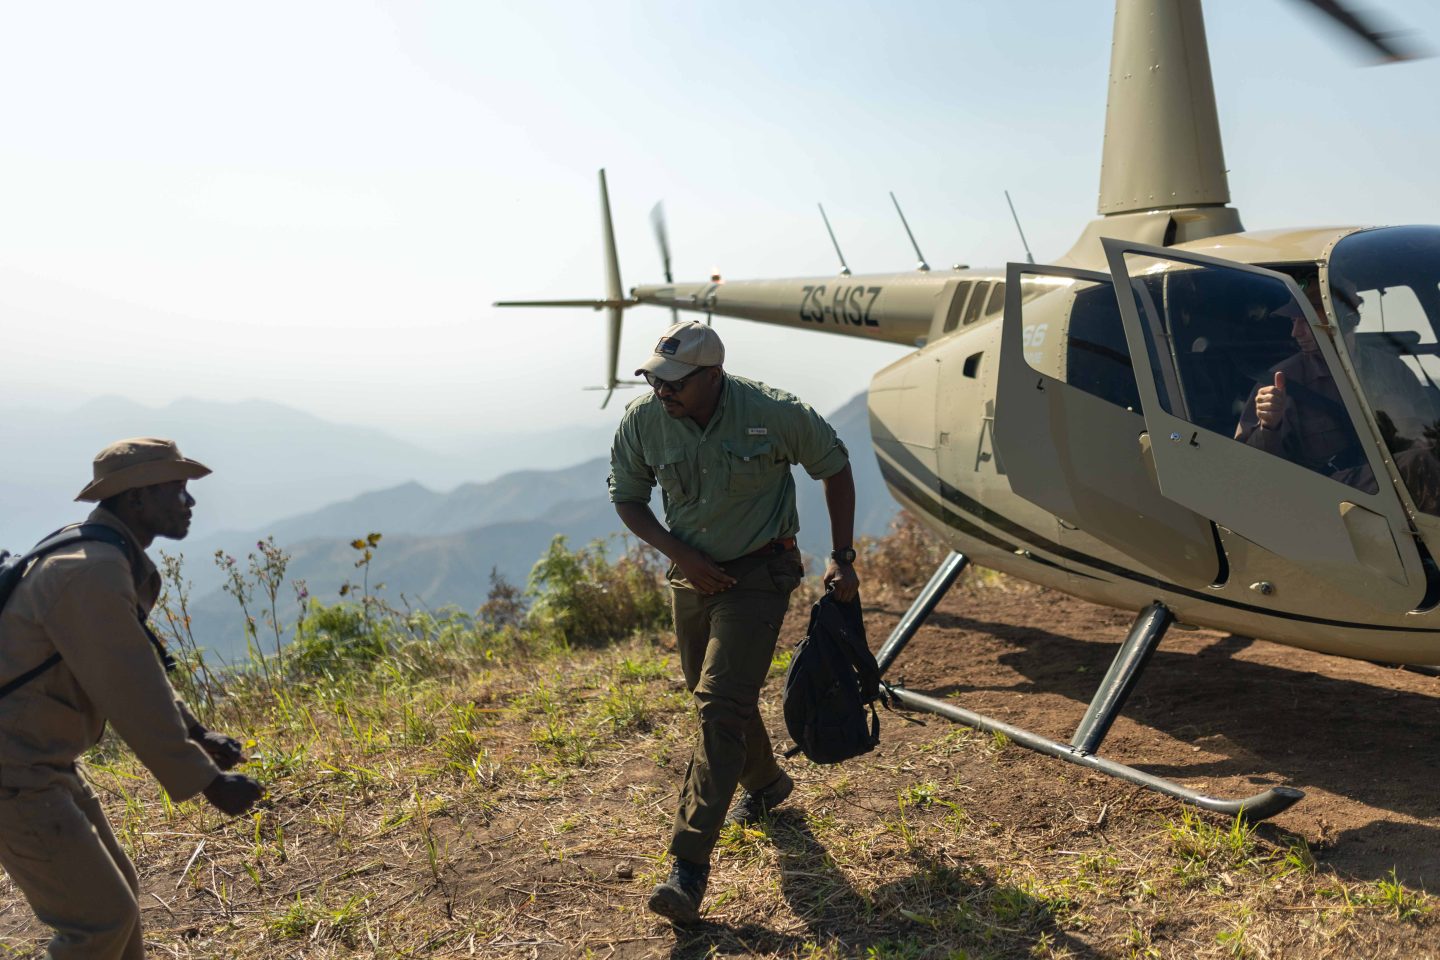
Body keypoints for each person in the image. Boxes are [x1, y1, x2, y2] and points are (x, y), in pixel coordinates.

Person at [608, 321, 859, 926]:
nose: (659, 389)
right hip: (691, 577)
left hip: (760, 573)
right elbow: (628, 496)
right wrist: (682, 556)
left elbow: (835, 468)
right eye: (653, 377)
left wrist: (842, 558)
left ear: (711, 375)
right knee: (717, 696)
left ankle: (687, 868)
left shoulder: (773, 412)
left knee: (719, 707)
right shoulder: (643, 420)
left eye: (673, 381)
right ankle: (769, 786)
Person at [0, 438, 263, 959]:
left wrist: (195, 732)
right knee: (98, 921)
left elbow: (132, 663)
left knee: (116, 902)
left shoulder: (98, 553)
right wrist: (206, 780)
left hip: (38, 763)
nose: (189, 503)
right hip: (14, 771)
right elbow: (130, 690)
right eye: (177, 490)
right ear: (136, 500)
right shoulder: (89, 570)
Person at [1234, 277, 1435, 496]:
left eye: (1306, 321)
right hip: (1331, 498)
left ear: (1346, 320)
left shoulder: (1393, 370)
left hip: (1410, 489)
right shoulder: (1280, 381)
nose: (1295, 333)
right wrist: (1269, 425)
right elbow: (1249, 470)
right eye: (1293, 321)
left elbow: (1431, 433)